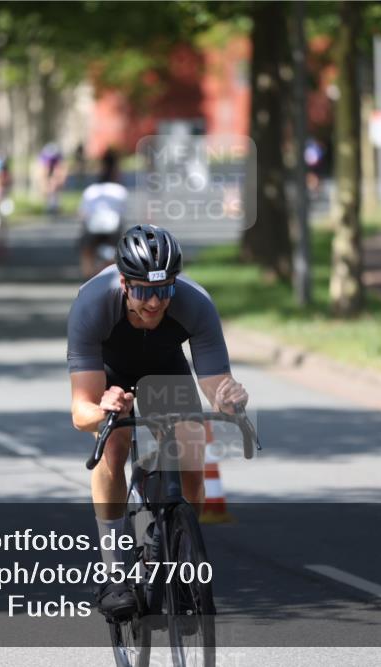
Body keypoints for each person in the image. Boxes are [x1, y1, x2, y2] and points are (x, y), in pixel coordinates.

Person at [66, 224, 249, 618]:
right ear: (123, 283)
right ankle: (114, 571)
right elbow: (80, 411)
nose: (154, 303)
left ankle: (179, 559)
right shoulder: (92, 304)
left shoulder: (195, 302)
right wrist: (105, 409)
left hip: (166, 370)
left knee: (192, 455)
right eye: (144, 291)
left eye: (163, 289)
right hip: (112, 375)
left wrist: (228, 396)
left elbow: (216, 379)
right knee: (112, 447)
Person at [78, 150, 127, 279]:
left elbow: (83, 214)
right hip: (113, 228)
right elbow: (121, 213)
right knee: (118, 250)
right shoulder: (120, 191)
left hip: (92, 228)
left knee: (86, 249)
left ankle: (87, 274)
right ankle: (109, 271)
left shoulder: (90, 191)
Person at [38, 142, 66, 215]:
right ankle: (48, 204)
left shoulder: (58, 157)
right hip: (45, 166)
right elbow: (43, 172)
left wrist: (60, 181)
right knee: (46, 185)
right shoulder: (44, 158)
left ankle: (55, 204)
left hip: (56, 166)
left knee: (56, 183)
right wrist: (45, 184)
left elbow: (61, 169)